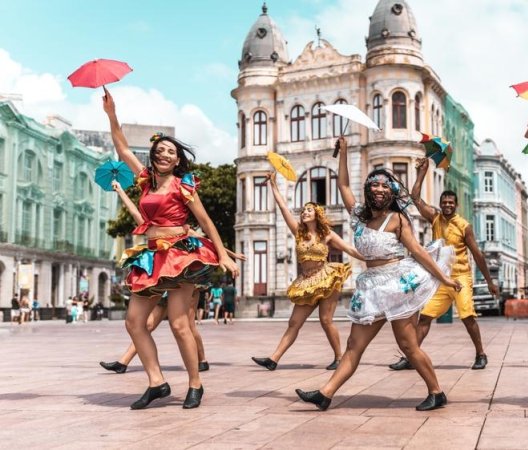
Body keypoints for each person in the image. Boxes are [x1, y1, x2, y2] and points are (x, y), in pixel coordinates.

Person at [295, 137, 461, 412]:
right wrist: (345, 153)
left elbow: (418, 251)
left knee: (408, 346)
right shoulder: (359, 215)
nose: (380, 188)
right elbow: (344, 185)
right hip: (371, 288)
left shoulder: (398, 219)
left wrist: (443, 278)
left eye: (385, 185)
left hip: (397, 284)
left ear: (393, 191)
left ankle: (436, 391)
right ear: (368, 188)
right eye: (375, 183)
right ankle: (325, 394)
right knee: (353, 345)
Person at [103, 87, 238, 410]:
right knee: (134, 322)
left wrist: (223, 256)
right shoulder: (145, 180)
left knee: (179, 324)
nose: (163, 155)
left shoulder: (184, 186)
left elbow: (206, 222)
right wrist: (112, 115)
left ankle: (195, 383)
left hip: (180, 255)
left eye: (170, 152)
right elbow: (122, 148)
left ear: (178, 160)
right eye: (159, 150)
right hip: (151, 257)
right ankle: (156, 381)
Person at [101, 181, 245, 375]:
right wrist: (121, 192)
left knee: (186, 325)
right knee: (149, 324)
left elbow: (208, 242)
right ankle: (123, 362)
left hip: (184, 276)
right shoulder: (152, 226)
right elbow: (137, 215)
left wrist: (228, 254)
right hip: (161, 276)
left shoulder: (184, 230)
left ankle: (201, 360)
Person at [388, 157, 499, 372]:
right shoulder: (435, 218)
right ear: (441, 204)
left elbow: (477, 254)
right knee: (426, 317)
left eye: (451, 203)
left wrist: (489, 281)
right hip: (440, 278)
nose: (447, 205)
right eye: (444, 202)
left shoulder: (463, 226)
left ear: (456, 205)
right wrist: (422, 172)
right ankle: (411, 356)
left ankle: (480, 354)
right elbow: (415, 198)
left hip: (460, 278)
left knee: (467, 317)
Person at [251, 171, 361, 371]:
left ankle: (339, 357)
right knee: (294, 322)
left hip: (327, 278)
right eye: (303, 210)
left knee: (326, 320)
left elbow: (350, 249)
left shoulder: (326, 234)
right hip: (307, 281)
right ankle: (273, 359)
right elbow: (284, 208)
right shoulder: (298, 233)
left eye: (309, 210)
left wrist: (373, 258)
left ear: (317, 214)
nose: (305, 212)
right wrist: (274, 185)